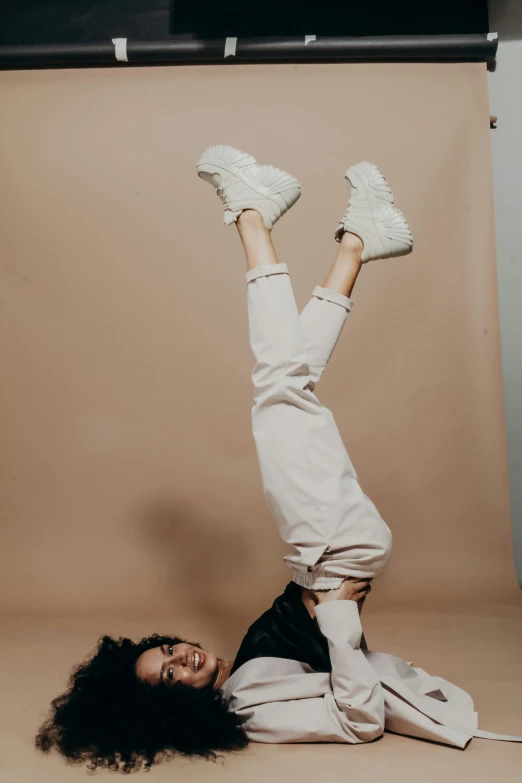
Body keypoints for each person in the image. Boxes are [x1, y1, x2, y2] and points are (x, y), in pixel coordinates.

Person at [35, 146, 522, 773]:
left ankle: (356, 243)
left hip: (323, 551)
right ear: (171, 711)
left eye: (165, 651)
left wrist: (324, 607)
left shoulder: (241, 675)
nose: (181, 657)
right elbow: (360, 721)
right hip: (331, 554)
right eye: (170, 675)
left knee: (291, 383)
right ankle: (252, 216)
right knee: (277, 393)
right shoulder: (247, 709)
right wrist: (339, 612)